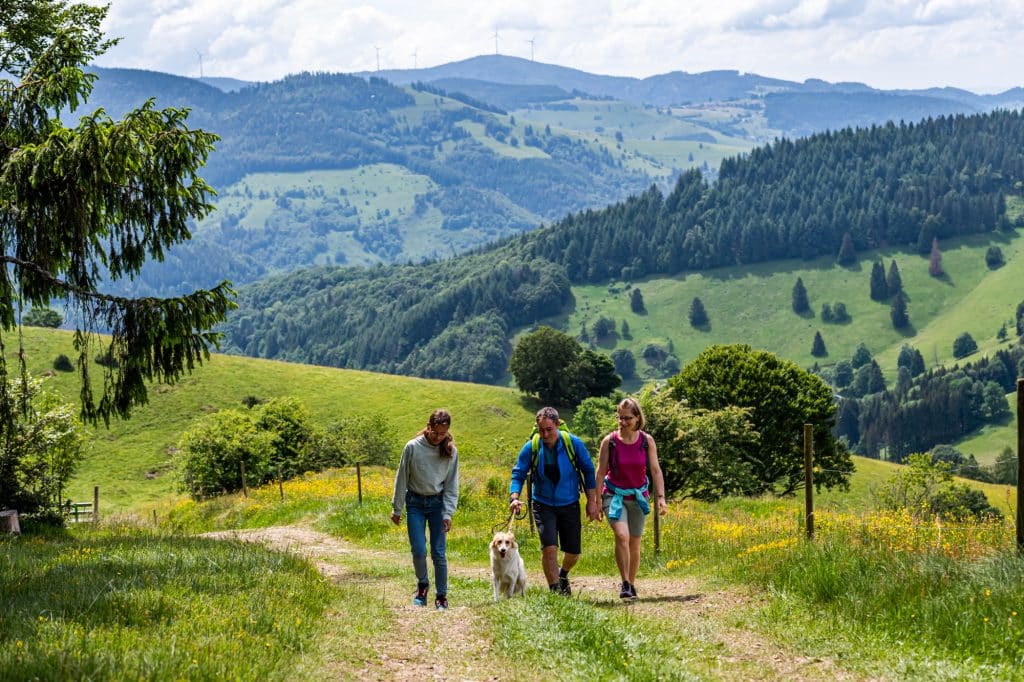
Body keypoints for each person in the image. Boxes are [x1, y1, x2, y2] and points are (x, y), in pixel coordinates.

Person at [509, 406, 598, 596]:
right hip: (543, 503)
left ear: (557, 425)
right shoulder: (532, 446)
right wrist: (514, 497)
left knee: (573, 552)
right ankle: (555, 591)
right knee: (549, 548)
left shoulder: (573, 444)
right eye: (541, 430)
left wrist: (592, 502)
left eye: (549, 429)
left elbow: (589, 471)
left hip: (570, 502)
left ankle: (563, 574)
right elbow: (518, 473)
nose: (545, 434)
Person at [595, 397, 667, 601]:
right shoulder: (609, 442)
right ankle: (624, 581)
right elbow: (600, 473)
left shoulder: (646, 441)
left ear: (637, 418)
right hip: (613, 495)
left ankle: (631, 585)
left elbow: (655, 470)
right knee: (622, 535)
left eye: (628, 418)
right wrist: (597, 501)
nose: (623, 422)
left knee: (635, 541)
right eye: (620, 418)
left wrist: (661, 498)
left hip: (638, 496)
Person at [391, 409, 459, 611]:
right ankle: (422, 586)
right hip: (415, 503)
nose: (439, 438)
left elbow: (451, 484)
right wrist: (397, 508)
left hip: (437, 505)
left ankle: (441, 596)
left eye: (443, 434)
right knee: (419, 550)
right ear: (428, 427)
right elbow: (401, 477)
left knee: (439, 552)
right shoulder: (412, 447)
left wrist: (448, 513)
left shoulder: (450, 452)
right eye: (436, 433)